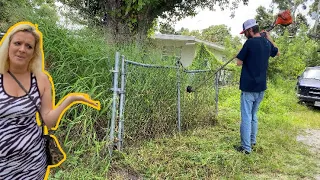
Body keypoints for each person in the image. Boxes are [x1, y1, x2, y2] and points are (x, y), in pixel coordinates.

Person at [0, 22, 100, 179]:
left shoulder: (41, 80)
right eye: (18, 43)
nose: (22, 50)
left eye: (29, 46)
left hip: (32, 162)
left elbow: (49, 121)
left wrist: (71, 99)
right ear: (8, 45)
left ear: (34, 53)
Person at [234, 19, 280, 154]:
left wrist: (239, 52)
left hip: (249, 87)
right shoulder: (266, 43)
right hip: (261, 87)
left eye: (245, 32)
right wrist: (269, 38)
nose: (244, 35)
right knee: (253, 115)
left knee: (247, 117)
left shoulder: (249, 43)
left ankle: (246, 148)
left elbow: (238, 62)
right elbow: (277, 52)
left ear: (249, 30)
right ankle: (252, 142)